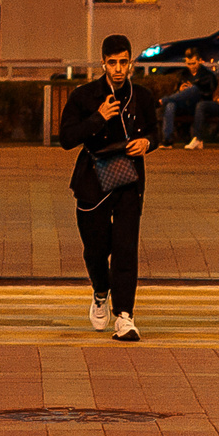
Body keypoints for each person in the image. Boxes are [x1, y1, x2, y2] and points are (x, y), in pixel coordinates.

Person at [58, 35, 156, 341]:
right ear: (103, 63)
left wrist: (148, 143)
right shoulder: (84, 95)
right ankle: (101, 291)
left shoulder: (141, 95)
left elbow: (157, 131)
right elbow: (66, 138)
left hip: (129, 176)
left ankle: (124, 316)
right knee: (96, 249)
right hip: (93, 177)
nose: (118, 68)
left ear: (130, 63)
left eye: (123, 62)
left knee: (126, 247)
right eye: (112, 62)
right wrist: (98, 118)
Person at [157, 49, 216, 148]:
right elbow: (178, 93)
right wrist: (180, 90)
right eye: (189, 64)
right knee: (171, 104)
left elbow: (208, 93)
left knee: (193, 89)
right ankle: (167, 140)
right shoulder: (184, 74)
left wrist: (191, 89)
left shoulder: (207, 75)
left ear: (199, 61)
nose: (191, 66)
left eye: (193, 63)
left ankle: (163, 100)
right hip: (184, 104)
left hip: (197, 104)